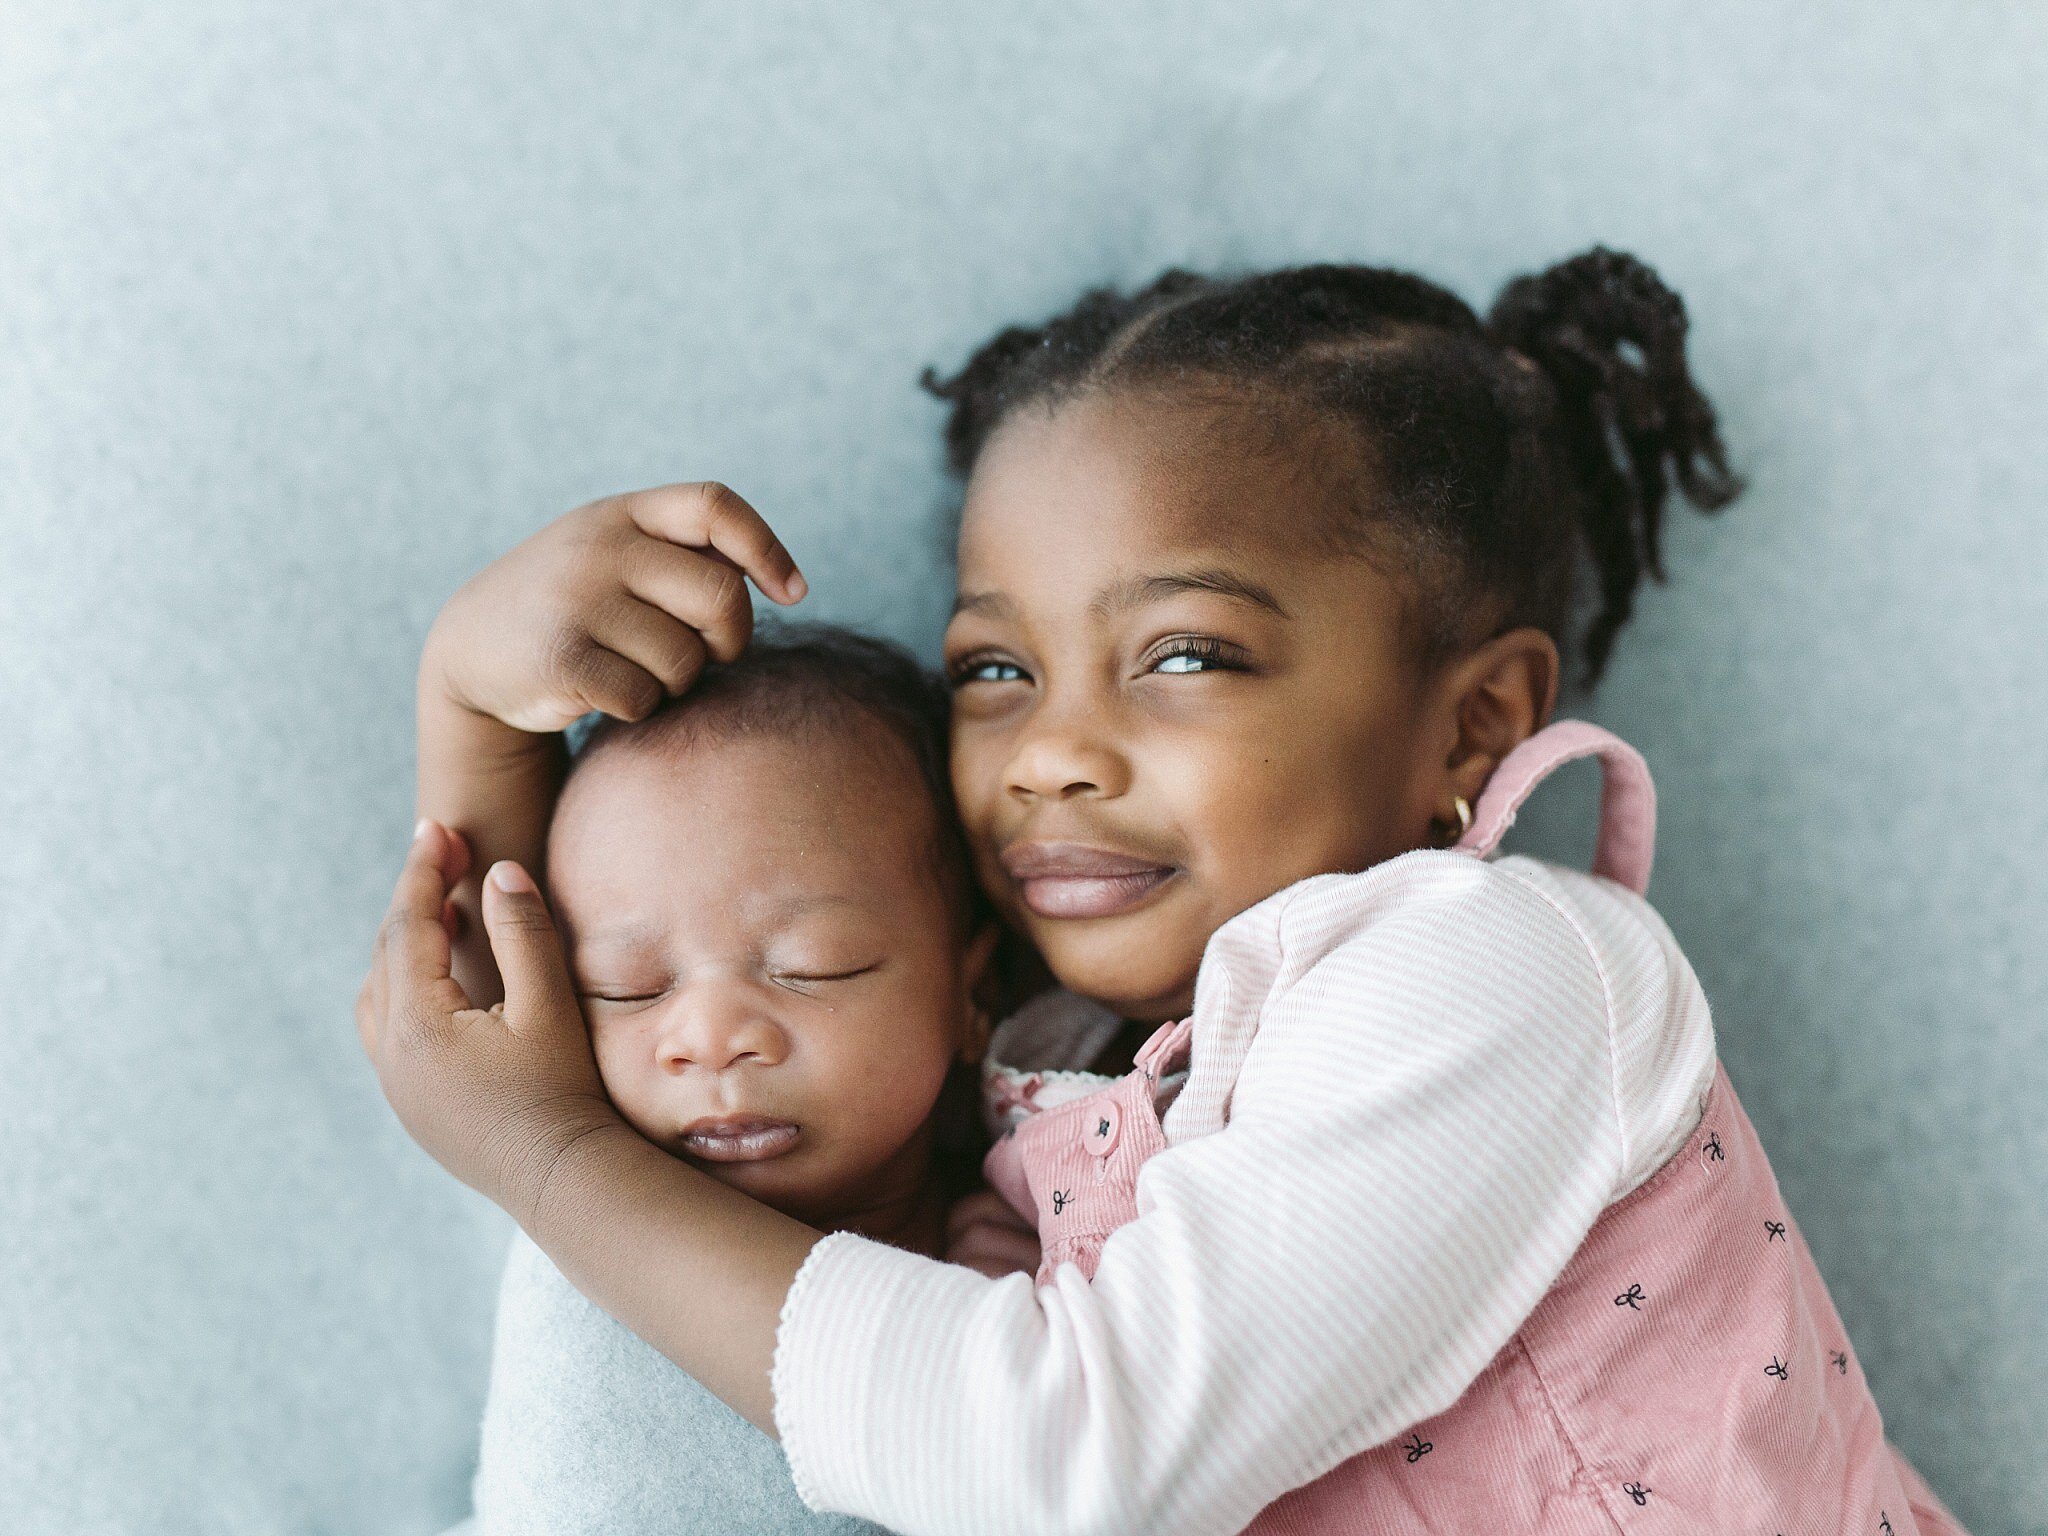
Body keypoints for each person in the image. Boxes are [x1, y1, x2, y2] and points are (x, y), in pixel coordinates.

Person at [360, 248, 1968, 1533]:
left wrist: (543, 1161)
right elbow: (625, 995)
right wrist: (479, 718)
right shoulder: (1050, 1037)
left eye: (1185, 654)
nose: (1052, 751)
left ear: (1474, 723)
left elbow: (1076, 1464)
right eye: (995, 666)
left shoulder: (1500, 971)